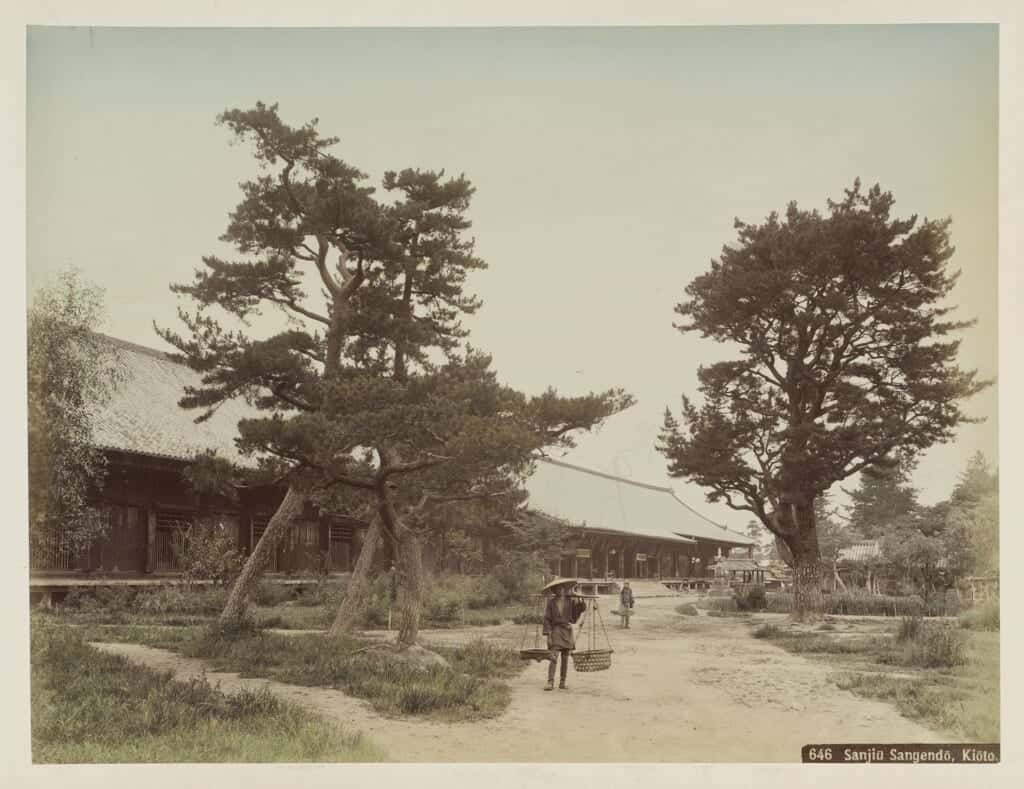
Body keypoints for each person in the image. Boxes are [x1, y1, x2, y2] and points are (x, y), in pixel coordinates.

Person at [542, 582, 587, 691]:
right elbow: (547, 619)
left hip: (567, 630)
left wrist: (580, 598)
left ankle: (562, 682)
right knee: (553, 656)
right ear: (555, 591)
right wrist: (548, 635)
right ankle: (550, 682)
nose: (560, 590)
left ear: (564, 590)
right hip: (556, 630)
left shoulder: (570, 601)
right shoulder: (551, 603)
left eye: (562, 588)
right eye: (558, 589)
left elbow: (579, 610)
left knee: (565, 658)